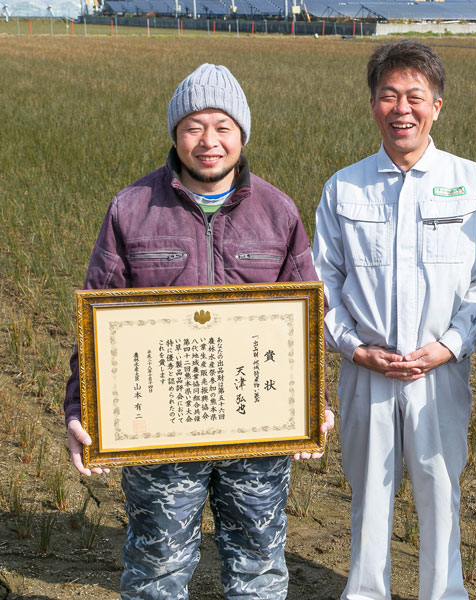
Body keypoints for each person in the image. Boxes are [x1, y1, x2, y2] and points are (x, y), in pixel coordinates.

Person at [63, 63, 334, 599]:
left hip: (255, 434)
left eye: (222, 126)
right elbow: (98, 322)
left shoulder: (278, 212)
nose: (208, 141)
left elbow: (306, 323)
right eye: (193, 126)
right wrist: (79, 409)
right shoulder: (131, 209)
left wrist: (312, 404)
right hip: (160, 438)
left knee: (258, 567)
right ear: (175, 134)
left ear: (242, 134)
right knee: (156, 568)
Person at [313, 40, 476, 600]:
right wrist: (353, 346)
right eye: (388, 96)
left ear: (437, 105)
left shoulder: (473, 182)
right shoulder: (343, 187)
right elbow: (323, 281)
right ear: (372, 104)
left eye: (414, 97)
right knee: (369, 494)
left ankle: (443, 594)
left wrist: (449, 346)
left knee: (440, 490)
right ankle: (366, 591)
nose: (402, 109)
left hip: (440, 371)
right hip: (366, 369)